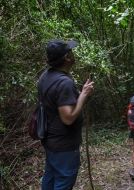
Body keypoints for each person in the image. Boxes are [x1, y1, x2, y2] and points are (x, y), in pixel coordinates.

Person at [40, 39, 94, 190]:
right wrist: (83, 95)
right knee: (63, 182)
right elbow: (68, 118)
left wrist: (84, 95)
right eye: (70, 50)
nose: (73, 52)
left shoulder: (46, 76)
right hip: (64, 146)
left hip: (50, 140)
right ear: (67, 58)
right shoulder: (64, 83)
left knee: (50, 178)